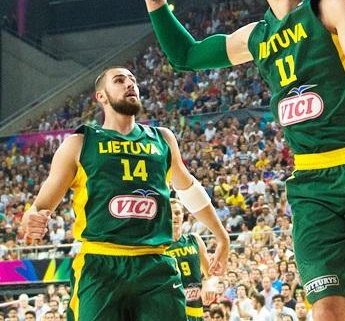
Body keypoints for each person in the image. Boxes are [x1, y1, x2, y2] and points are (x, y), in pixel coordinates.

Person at [126, 0, 345, 321]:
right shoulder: (256, 36)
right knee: (327, 309)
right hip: (313, 182)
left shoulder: (332, 3)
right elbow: (185, 56)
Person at [21, 67, 229, 321]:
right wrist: (31, 217)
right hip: (101, 265)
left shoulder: (162, 139)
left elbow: (188, 188)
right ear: (101, 96)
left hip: (155, 264)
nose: (130, 84)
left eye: (133, 80)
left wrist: (221, 235)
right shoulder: (80, 143)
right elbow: (40, 206)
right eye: (120, 80)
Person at [167, 199, 218, 320]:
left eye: (178, 213)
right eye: (170, 213)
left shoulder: (194, 239)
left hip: (195, 312)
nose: (174, 216)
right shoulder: (158, 245)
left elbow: (212, 275)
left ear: (183, 216)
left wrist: (209, 284)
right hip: (171, 312)